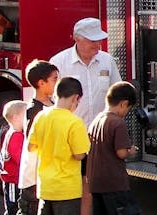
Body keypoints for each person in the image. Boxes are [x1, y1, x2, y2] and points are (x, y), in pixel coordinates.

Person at [49, 17, 122, 215]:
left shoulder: (107, 60)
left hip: (100, 138)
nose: (98, 45)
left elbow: (117, 94)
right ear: (77, 39)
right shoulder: (59, 63)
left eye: (99, 40)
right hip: (70, 140)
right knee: (75, 191)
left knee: (95, 189)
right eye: (93, 40)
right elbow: (51, 102)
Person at [28, 77, 91, 215]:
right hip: (67, 189)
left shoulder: (41, 116)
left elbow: (31, 147)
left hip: (45, 187)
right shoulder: (75, 122)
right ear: (75, 98)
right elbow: (79, 155)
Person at [86, 81, 140, 215]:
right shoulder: (118, 123)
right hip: (114, 183)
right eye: (128, 108)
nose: (127, 112)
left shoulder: (97, 119)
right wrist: (130, 151)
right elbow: (121, 153)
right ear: (123, 104)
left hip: (95, 183)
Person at [18, 60, 59, 215]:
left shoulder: (53, 104)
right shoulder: (34, 110)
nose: (57, 82)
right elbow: (33, 144)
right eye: (54, 79)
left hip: (48, 176)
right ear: (41, 83)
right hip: (34, 179)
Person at [0, 100, 27, 215]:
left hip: (13, 180)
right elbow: (21, 159)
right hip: (13, 180)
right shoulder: (17, 136)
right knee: (13, 208)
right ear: (16, 117)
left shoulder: (10, 133)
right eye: (25, 115)